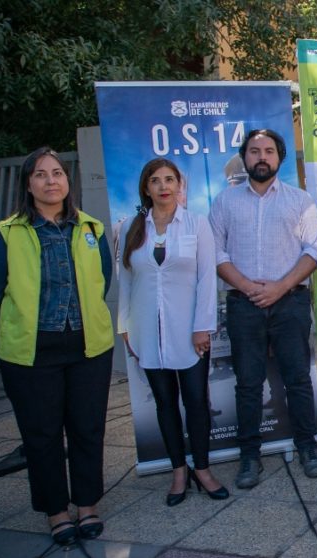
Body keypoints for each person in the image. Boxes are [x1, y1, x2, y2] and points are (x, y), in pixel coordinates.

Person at [0, 147, 114, 544]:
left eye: (58, 173)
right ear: (28, 184)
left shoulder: (90, 229)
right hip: (31, 352)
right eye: (41, 174)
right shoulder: (6, 234)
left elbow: (104, 281)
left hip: (87, 347)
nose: (51, 181)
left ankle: (87, 504)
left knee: (87, 428)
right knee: (41, 435)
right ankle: (56, 510)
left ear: (68, 181)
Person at [209, 129, 317, 488]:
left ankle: (307, 448)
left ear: (280, 158)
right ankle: (249, 458)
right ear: (244, 157)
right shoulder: (226, 202)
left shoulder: (300, 200)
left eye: (269, 151)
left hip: (289, 301)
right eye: (255, 151)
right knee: (247, 384)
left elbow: (315, 251)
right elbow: (215, 253)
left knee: (298, 379)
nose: (262, 157)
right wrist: (247, 287)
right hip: (243, 305)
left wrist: (280, 287)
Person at [118, 158, 228, 506]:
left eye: (170, 179)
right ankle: (179, 471)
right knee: (164, 404)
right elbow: (125, 283)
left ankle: (203, 469)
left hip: (189, 331)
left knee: (196, 401)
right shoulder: (131, 229)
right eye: (155, 180)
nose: (163, 186)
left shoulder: (196, 225)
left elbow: (207, 279)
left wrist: (202, 327)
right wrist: (125, 327)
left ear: (180, 185)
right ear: (146, 188)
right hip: (147, 333)